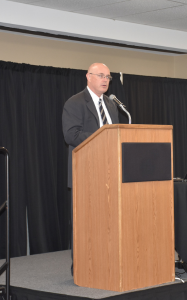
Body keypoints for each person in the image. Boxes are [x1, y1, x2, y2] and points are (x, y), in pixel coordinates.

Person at [62, 63, 120, 275]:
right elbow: (71, 135)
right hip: (84, 173)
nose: (105, 80)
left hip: (109, 172)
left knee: (107, 221)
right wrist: (102, 137)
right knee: (84, 224)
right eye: (101, 75)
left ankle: (105, 261)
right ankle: (81, 267)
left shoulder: (111, 105)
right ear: (88, 77)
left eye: (108, 77)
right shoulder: (75, 102)